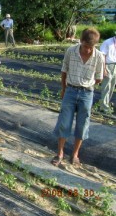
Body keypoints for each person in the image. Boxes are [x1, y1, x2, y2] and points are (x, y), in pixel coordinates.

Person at [51, 28, 104, 167]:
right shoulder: (71, 51)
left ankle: (75, 154)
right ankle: (60, 153)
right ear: (81, 41)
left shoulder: (99, 56)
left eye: (91, 47)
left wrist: (87, 83)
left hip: (87, 93)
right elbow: (64, 70)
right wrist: (64, 88)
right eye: (85, 46)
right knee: (64, 121)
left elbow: (99, 78)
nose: (87, 50)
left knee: (82, 124)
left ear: (95, 45)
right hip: (70, 90)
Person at [99, 34, 116, 113]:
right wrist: (104, 69)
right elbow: (102, 56)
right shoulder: (107, 42)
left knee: (112, 86)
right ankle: (104, 107)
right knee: (106, 87)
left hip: (114, 66)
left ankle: (106, 103)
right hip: (108, 65)